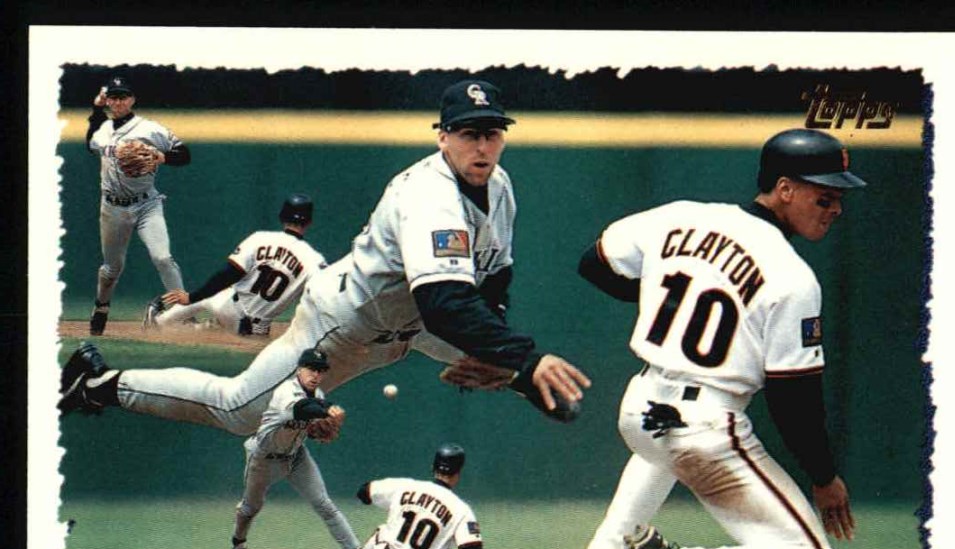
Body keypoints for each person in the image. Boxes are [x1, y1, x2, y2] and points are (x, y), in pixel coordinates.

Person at [59, 78, 590, 434]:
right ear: (443, 137)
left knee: (497, 348)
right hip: (347, 322)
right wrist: (521, 358)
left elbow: (493, 278)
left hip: (410, 320)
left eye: (492, 133)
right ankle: (100, 383)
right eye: (469, 133)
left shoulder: (499, 184)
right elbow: (447, 303)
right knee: (239, 410)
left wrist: (496, 355)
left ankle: (522, 377)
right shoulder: (430, 195)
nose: (483, 146)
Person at [568, 128, 862, 549]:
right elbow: (794, 401)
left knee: (661, 450)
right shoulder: (792, 277)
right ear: (785, 189)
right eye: (824, 197)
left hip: (641, 408)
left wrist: (662, 296)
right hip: (705, 426)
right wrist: (824, 478)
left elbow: (593, 263)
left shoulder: (681, 216)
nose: (835, 209)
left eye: (838, 200)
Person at [230, 348, 362, 549]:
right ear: (299, 369)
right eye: (311, 368)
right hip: (263, 458)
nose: (316, 375)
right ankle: (239, 545)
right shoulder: (286, 390)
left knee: (324, 504)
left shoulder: (318, 393)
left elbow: (308, 420)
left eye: (320, 370)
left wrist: (317, 428)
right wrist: (327, 408)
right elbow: (302, 408)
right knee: (250, 508)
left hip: (295, 456)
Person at [84, 75, 191, 336]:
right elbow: (91, 143)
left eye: (123, 97)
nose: (118, 102)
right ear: (107, 100)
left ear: (132, 99)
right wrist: (96, 109)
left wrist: (162, 156)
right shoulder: (103, 129)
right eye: (113, 97)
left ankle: (184, 314)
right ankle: (101, 307)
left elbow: (184, 154)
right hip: (112, 208)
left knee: (163, 258)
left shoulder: (150, 128)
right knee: (111, 269)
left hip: (146, 205)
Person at [145, 194, 327, 337]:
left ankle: (160, 322)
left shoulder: (260, 238)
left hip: (231, 308)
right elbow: (321, 296)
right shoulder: (314, 260)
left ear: (282, 216)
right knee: (232, 325)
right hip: (257, 331)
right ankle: (208, 327)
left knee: (210, 295)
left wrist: (191, 297)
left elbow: (228, 275)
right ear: (309, 222)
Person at [333, 443, 495, 549]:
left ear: (433, 467)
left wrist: (402, 505)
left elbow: (364, 492)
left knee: (382, 532)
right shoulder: (461, 510)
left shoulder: (405, 486)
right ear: (458, 473)